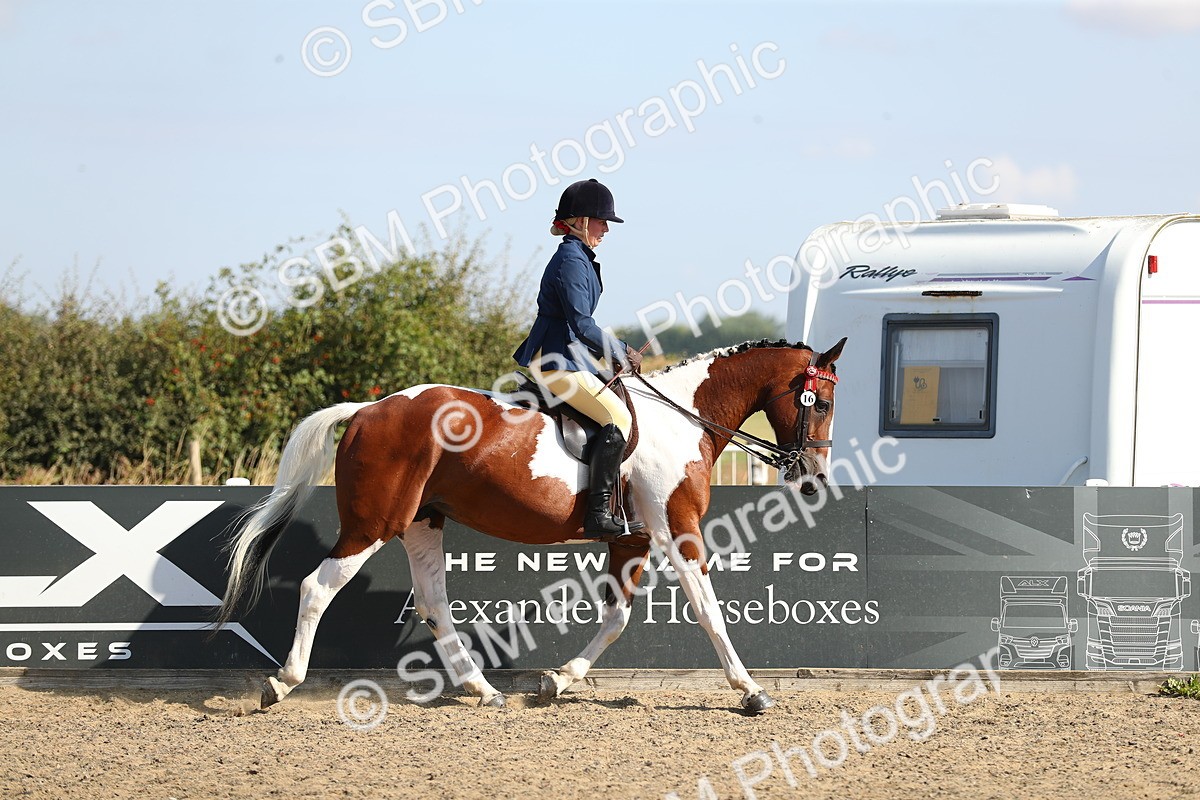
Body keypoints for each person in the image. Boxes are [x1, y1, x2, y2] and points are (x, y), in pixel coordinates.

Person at [512, 178, 645, 540]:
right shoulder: (571, 260)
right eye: (602, 221)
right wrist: (619, 350)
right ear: (580, 221)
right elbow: (582, 323)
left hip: (570, 357)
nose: (606, 229)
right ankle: (599, 513)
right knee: (618, 419)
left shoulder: (579, 257)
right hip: (556, 359)